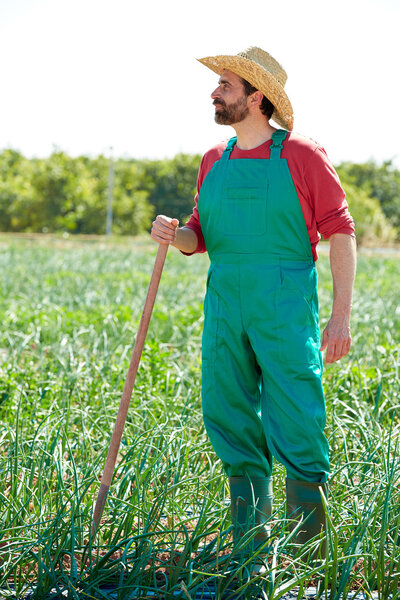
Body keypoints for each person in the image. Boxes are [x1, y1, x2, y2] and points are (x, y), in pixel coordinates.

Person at [151, 47, 356, 567]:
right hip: (224, 305)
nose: (215, 91)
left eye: (225, 84)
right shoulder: (212, 160)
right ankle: (252, 553)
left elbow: (341, 233)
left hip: (284, 306)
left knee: (296, 412)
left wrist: (340, 316)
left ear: (256, 97)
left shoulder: (303, 156)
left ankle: (308, 558)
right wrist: (178, 236)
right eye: (218, 83)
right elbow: (202, 236)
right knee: (227, 409)